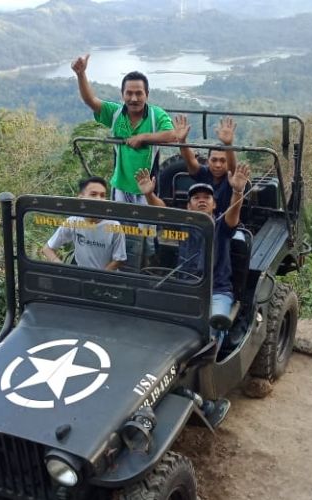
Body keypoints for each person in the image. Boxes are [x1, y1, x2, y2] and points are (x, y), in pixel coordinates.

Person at [136, 166, 250, 427]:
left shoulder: (220, 226)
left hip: (216, 292)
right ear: (188, 206)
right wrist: (149, 196)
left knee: (211, 329)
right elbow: (162, 212)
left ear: (213, 204)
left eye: (206, 197)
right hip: (184, 289)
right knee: (155, 330)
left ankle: (203, 391)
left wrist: (237, 190)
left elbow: (233, 215)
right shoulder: (183, 226)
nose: (201, 199)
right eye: (196, 197)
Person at [71, 54, 178, 204]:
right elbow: (91, 101)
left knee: (146, 227)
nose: (134, 98)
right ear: (122, 94)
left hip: (148, 188)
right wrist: (81, 74)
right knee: (119, 227)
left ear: (147, 94)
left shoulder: (156, 115)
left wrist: (143, 137)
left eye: (139, 93)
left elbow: (172, 135)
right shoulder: (115, 113)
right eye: (129, 93)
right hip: (120, 186)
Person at [41, 176, 127, 271]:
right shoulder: (73, 221)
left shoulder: (114, 226)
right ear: (81, 198)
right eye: (93, 194)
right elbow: (47, 249)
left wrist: (98, 277)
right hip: (80, 278)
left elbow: (119, 259)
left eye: (102, 195)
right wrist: (62, 269)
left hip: (106, 279)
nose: (99, 199)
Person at [173, 114, 239, 215]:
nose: (218, 165)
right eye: (214, 160)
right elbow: (191, 161)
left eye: (222, 161)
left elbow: (233, 169)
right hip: (202, 218)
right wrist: (182, 141)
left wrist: (228, 145)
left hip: (224, 221)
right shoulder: (204, 172)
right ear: (208, 161)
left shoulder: (231, 177)